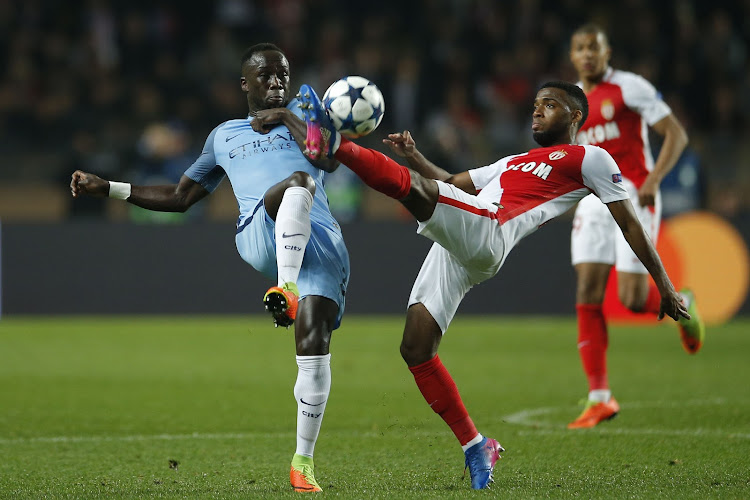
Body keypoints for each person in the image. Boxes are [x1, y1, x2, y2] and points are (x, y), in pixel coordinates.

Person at [296, 80, 689, 490]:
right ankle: (476, 444)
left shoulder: (590, 157)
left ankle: (332, 145)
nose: (537, 111)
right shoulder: (513, 161)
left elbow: (628, 220)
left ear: (575, 117)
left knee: (414, 190)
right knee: (415, 347)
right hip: (468, 228)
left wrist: (662, 283)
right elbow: (451, 181)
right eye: (536, 104)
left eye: (550, 105)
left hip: (490, 229)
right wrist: (415, 155)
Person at [70, 43, 349, 493]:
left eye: (283, 74)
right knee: (296, 184)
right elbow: (182, 197)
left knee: (313, 347)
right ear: (246, 83)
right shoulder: (224, 135)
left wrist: (287, 119)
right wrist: (110, 189)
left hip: (323, 245)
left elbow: (331, 158)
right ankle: (288, 289)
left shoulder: (306, 114)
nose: (277, 82)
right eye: (266, 75)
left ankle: (303, 463)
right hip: (260, 232)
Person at [566, 24, 705, 429]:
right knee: (587, 291)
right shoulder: (571, 101)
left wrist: (655, 181)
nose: (588, 54)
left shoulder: (630, 87)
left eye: (595, 47)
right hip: (591, 202)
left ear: (607, 52)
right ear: (572, 57)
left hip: (632, 195)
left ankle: (684, 304)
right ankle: (599, 397)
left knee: (630, 297)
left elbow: (675, 135)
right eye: (580, 48)